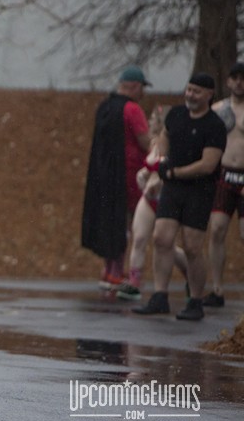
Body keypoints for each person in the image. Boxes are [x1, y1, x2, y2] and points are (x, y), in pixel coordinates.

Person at [133, 73, 226, 321]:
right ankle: (159, 296)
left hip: (199, 190)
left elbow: (208, 164)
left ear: (209, 95)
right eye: (189, 89)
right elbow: (165, 136)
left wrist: (176, 172)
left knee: (192, 246)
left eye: (197, 91)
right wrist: (162, 160)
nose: (190, 95)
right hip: (173, 189)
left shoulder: (214, 126)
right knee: (161, 238)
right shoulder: (176, 115)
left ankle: (195, 301)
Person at [81, 66, 152, 291]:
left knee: (110, 220)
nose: (143, 93)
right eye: (142, 88)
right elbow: (145, 142)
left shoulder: (105, 107)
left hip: (104, 175)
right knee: (129, 224)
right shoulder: (132, 109)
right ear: (135, 87)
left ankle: (109, 269)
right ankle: (119, 271)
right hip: (129, 175)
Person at [115, 105, 189, 301]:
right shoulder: (153, 145)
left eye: (153, 121)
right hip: (149, 199)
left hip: (167, 199)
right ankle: (134, 281)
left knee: (167, 246)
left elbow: (169, 171)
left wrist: (157, 179)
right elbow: (150, 168)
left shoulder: (177, 146)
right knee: (139, 238)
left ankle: (190, 274)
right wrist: (143, 175)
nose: (148, 124)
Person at [202, 62, 244, 308]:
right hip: (225, 175)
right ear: (228, 81)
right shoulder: (219, 110)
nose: (239, 82)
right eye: (235, 78)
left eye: (243, 78)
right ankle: (217, 288)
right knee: (217, 229)